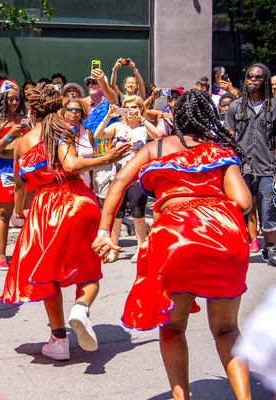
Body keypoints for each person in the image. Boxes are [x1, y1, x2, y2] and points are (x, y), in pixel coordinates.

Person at [93, 89, 251, 400]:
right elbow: (243, 201)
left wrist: (103, 231)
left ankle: (182, 397)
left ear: (176, 118)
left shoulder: (156, 148)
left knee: (173, 327)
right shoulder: (219, 152)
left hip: (175, 237)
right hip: (224, 234)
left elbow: (120, 182)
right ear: (209, 117)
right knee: (226, 329)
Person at [0, 83, 130, 361]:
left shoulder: (22, 141)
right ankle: (81, 308)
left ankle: (58, 340)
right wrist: (107, 158)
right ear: (57, 107)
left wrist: (19, 211)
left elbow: (20, 185)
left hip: (45, 209)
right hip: (77, 202)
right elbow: (70, 166)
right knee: (88, 270)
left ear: (31, 110)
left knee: (48, 274)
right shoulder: (63, 130)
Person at [94, 96, 160, 263]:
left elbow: (158, 135)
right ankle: (114, 248)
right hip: (118, 176)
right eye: (127, 107)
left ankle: (141, 247)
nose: (131, 111)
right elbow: (98, 134)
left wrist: (142, 119)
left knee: (138, 213)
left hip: (137, 177)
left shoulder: (143, 128)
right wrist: (109, 116)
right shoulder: (118, 127)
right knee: (117, 214)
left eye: (134, 107)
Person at [225, 63, 276, 263]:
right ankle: (236, 248)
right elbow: (229, 138)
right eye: (250, 77)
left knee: (269, 211)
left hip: (267, 168)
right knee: (238, 209)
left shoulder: (274, 106)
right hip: (241, 167)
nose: (253, 80)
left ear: (265, 81)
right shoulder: (236, 106)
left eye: (258, 77)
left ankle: (271, 249)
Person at [0, 79, 28, 271]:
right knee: (4, 213)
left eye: (17, 98)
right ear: (2, 99)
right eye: (10, 98)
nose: (14, 102)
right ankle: (1, 255)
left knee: (27, 211)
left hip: (25, 167)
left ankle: (27, 251)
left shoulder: (24, 118)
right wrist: (10, 135)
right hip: (5, 168)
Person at [82, 68, 119, 206]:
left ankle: (107, 227)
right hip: (88, 157)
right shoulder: (87, 107)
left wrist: (103, 81)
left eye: (94, 82)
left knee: (105, 198)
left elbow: (113, 99)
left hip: (105, 156)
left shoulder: (108, 104)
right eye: (89, 83)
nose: (91, 85)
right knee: (90, 196)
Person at [61, 98, 94, 187]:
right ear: (64, 111)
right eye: (70, 109)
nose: (74, 112)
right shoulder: (59, 131)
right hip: (65, 184)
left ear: (82, 113)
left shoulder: (87, 132)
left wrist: (92, 183)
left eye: (77, 110)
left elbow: (91, 162)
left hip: (85, 183)